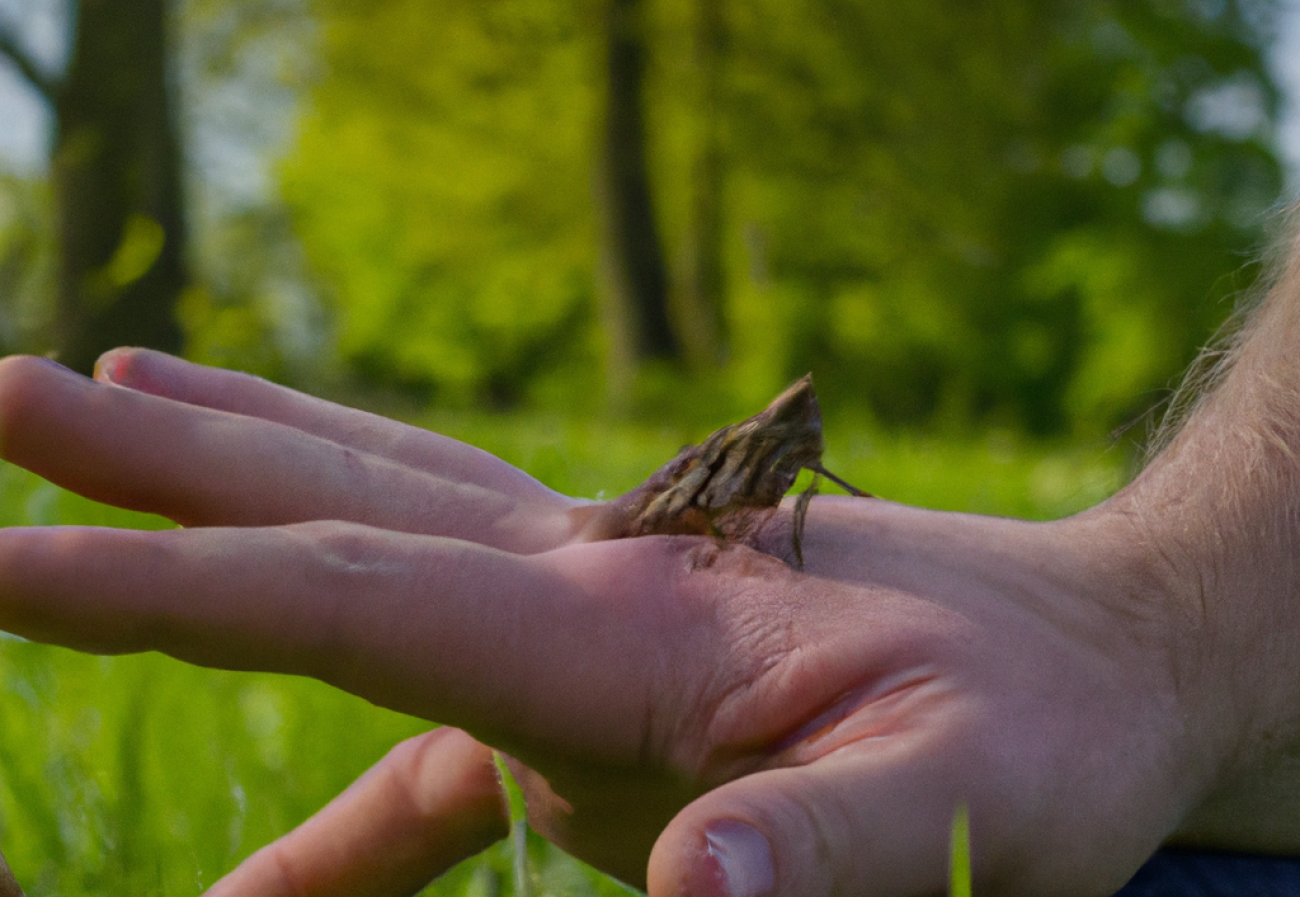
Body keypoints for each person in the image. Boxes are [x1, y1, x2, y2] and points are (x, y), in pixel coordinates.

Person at [6, 225, 1300, 896]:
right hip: (667, 515)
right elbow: (721, 496)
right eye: (798, 421)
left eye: (802, 423)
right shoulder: (749, 466)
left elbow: (790, 499)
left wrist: (1161, 637)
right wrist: (1167, 628)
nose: (805, 436)